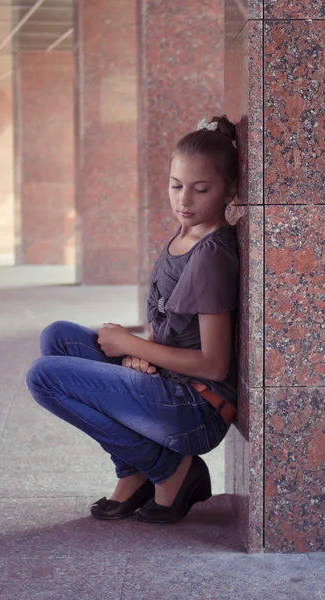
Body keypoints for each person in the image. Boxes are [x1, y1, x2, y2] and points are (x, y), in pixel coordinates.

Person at [26, 115, 240, 524]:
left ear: (229, 191)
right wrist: (143, 356)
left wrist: (133, 345)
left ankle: (170, 471)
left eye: (201, 189)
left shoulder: (211, 255)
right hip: (169, 382)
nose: (185, 201)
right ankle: (135, 470)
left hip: (196, 406)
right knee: (58, 338)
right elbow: (175, 328)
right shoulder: (184, 235)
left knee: (44, 377)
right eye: (176, 186)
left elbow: (214, 364)